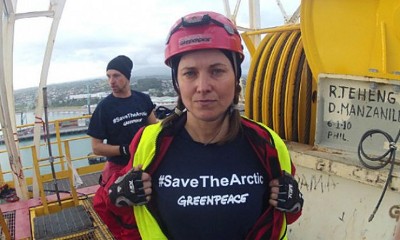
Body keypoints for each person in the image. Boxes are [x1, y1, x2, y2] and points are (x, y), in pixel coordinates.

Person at [98, 12, 304, 240]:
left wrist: (292, 204)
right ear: (177, 81)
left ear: (236, 76)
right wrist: (117, 196)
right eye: (190, 73)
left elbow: (281, 218)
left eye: (217, 71)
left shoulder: (267, 143)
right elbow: (126, 217)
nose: (203, 86)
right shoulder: (149, 142)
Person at [87, 55, 157, 229]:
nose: (111, 81)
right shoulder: (105, 108)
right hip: (120, 169)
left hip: (144, 163)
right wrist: (124, 150)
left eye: (116, 75)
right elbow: (96, 147)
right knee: (125, 216)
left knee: (152, 207)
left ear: (127, 77)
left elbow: (153, 127)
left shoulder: (142, 100)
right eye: (108, 76)